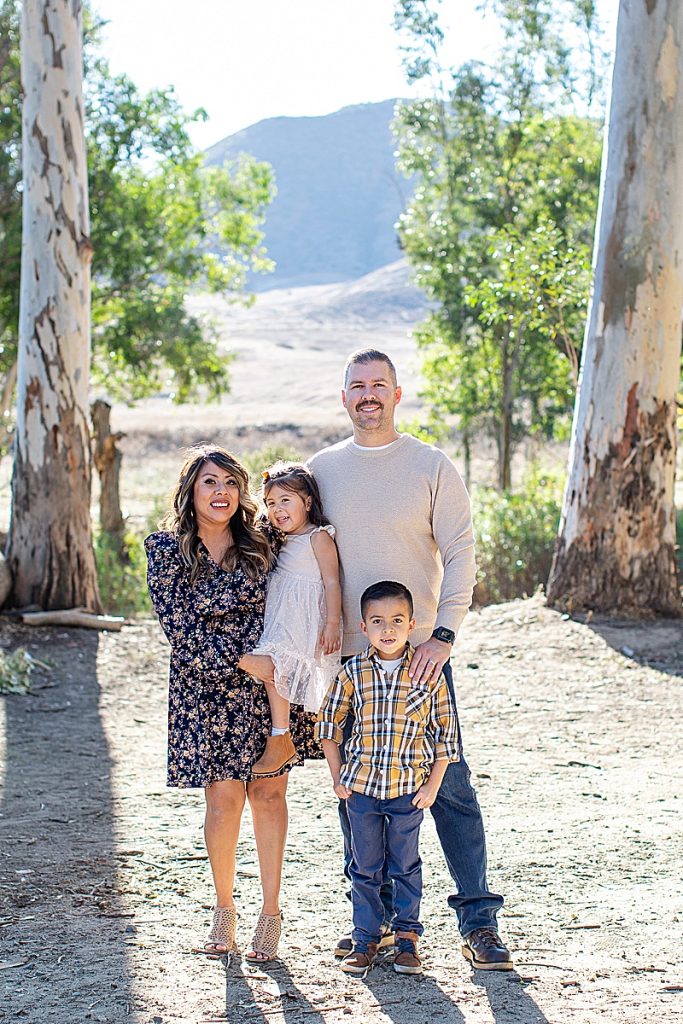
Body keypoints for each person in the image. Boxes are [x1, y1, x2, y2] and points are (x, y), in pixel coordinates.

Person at [308, 348, 512, 971]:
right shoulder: (321, 470)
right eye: (357, 386)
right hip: (349, 662)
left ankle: (478, 922)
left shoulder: (430, 465)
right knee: (360, 797)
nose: (368, 394)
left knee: (446, 788)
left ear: (398, 394)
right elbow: (298, 550)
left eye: (379, 385)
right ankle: (380, 925)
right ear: (343, 397)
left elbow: (461, 551)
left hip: (421, 658)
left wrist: (443, 634)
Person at [145, 445, 318, 963]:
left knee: (268, 795)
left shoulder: (265, 543)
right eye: (209, 482)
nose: (221, 492)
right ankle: (224, 910)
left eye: (229, 483)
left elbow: (304, 581)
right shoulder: (164, 550)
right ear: (190, 491)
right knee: (223, 800)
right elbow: (179, 630)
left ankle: (271, 910)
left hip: (270, 690)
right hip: (206, 689)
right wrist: (247, 658)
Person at [317, 580, 460, 976]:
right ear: (363, 627)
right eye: (377, 621)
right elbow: (329, 725)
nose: (388, 629)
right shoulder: (353, 673)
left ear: (413, 623)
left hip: (407, 793)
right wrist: (337, 776)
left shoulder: (428, 673)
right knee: (364, 866)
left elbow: (446, 735)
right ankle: (364, 939)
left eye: (397, 620)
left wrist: (432, 786)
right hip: (361, 789)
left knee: (405, 866)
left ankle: (407, 940)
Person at [242, 462, 342, 777]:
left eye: (286, 500)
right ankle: (281, 737)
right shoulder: (278, 539)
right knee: (274, 669)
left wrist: (332, 623)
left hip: (304, 618)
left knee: (276, 664)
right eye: (271, 503)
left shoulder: (318, 537)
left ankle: (281, 736)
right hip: (280, 614)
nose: (277, 509)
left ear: (307, 502)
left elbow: (332, 581)